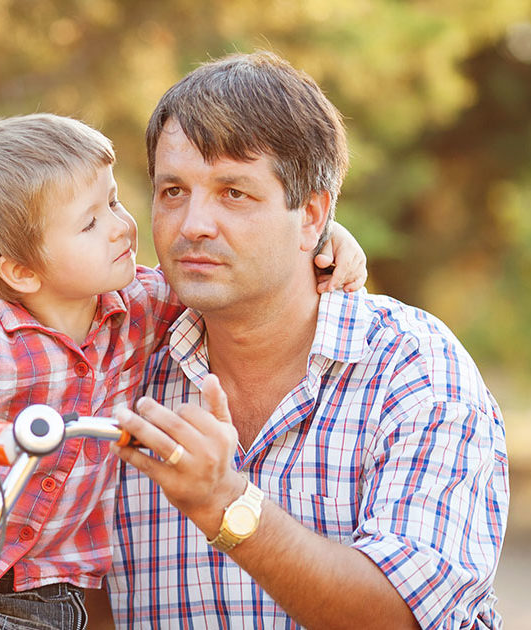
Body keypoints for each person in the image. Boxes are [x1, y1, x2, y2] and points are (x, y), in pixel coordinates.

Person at [0, 113, 368, 629]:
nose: (122, 225)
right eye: (90, 222)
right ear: (22, 272)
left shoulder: (142, 307)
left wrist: (320, 238)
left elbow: (239, 269)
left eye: (115, 202)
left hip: (45, 603)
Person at [107, 51, 509, 629]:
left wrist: (224, 502)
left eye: (233, 193)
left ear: (313, 215)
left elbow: (402, 614)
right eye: (173, 190)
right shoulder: (118, 357)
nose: (192, 224)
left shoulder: (413, 367)